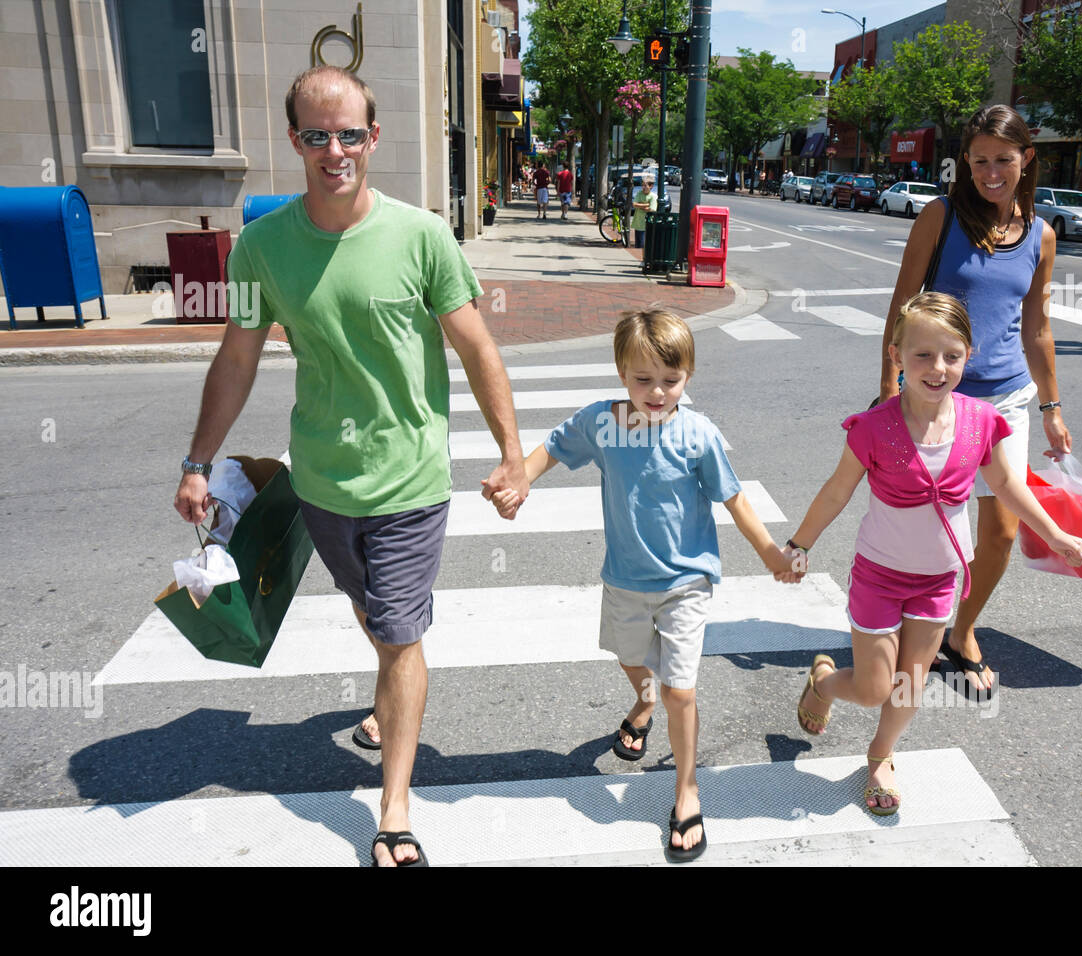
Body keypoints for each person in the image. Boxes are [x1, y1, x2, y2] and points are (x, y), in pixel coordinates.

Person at [173, 65, 529, 867]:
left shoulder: (422, 235)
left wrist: (513, 453)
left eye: (350, 134)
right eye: (315, 135)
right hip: (321, 484)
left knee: (401, 636)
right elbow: (237, 359)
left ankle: (394, 808)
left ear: (375, 136)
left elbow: (476, 347)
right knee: (374, 617)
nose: (334, 150)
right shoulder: (261, 248)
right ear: (294, 140)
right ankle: (386, 702)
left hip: (408, 481)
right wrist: (198, 462)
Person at [488, 309, 797, 861]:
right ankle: (643, 699)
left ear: (689, 376)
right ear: (621, 372)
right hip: (625, 579)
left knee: (683, 688)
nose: (656, 393)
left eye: (670, 381)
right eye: (642, 379)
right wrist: (520, 482)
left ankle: (685, 792)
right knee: (630, 656)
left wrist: (771, 552)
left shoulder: (697, 433)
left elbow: (734, 498)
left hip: (686, 581)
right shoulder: (604, 424)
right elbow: (554, 446)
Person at [787, 292, 1082, 814]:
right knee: (875, 686)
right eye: (922, 354)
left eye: (951, 355)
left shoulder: (979, 421)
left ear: (969, 355)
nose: (937, 367)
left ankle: (880, 755)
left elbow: (1008, 487)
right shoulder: (874, 427)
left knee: (910, 684)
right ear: (896, 355)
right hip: (879, 574)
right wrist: (799, 544)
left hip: (939, 578)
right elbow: (837, 491)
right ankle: (825, 682)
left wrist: (1056, 533)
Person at [877, 104, 1070, 700]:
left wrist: (1051, 408)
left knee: (1003, 532)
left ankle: (961, 633)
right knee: (932, 524)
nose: (991, 172)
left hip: (1007, 397)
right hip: (938, 393)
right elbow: (903, 306)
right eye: (980, 160)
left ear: (1026, 159)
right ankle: (917, 621)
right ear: (966, 161)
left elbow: (1036, 328)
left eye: (1003, 160)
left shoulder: (1041, 235)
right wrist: (890, 391)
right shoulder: (939, 217)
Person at [631, 172, 657, 249]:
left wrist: (640, 205)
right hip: (638, 224)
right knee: (638, 245)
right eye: (642, 185)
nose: (643, 187)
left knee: (643, 246)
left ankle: (643, 260)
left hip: (646, 225)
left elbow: (652, 209)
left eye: (645, 185)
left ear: (651, 186)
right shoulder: (639, 193)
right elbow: (634, 204)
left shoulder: (653, 196)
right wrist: (646, 204)